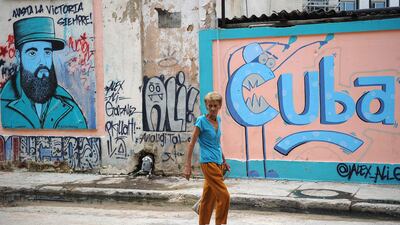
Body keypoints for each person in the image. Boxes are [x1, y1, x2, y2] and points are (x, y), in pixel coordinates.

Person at [0, 17, 87, 129]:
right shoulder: (3, 104)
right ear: (18, 56)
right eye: (32, 53)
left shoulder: (68, 107)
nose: (42, 61)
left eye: (47, 52)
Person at [184, 91, 230, 225]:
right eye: (210, 106)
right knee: (224, 196)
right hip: (208, 163)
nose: (212, 108)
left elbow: (217, 143)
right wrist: (187, 166)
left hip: (218, 162)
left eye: (215, 105)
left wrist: (224, 160)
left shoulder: (219, 120)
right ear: (206, 105)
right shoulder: (201, 121)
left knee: (208, 199)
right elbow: (192, 143)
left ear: (220, 105)